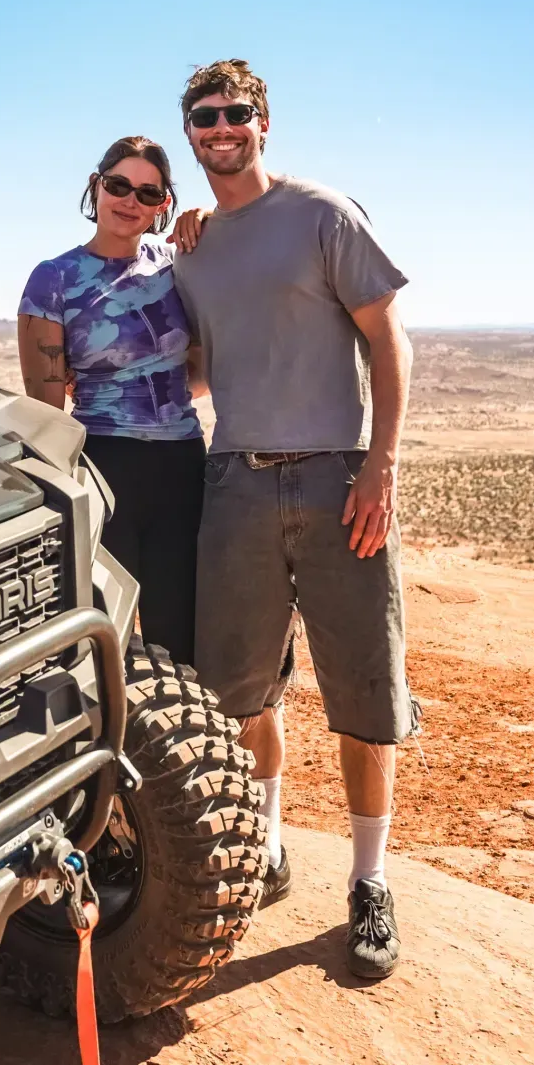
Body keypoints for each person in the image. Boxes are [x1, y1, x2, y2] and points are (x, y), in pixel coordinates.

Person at [169, 59, 414, 980]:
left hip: (336, 479)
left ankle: (369, 882)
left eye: (236, 113)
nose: (221, 127)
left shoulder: (321, 213)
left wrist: (379, 467)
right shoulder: (193, 245)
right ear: (191, 132)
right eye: (205, 117)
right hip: (234, 481)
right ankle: (267, 845)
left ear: (263, 121)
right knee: (240, 693)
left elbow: (389, 341)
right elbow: (201, 368)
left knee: (361, 690)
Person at [17, 136, 206, 666]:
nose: (130, 201)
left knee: (182, 632)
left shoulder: (179, 265)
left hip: (183, 465)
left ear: (163, 204)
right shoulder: (53, 279)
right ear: (96, 187)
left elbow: (204, 365)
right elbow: (47, 406)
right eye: (119, 185)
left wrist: (206, 215)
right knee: (109, 635)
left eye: (149, 194)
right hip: (104, 466)